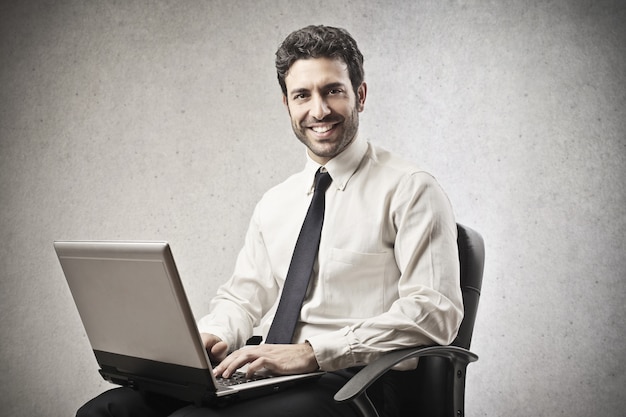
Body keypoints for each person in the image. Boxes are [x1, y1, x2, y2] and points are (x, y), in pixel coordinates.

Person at [76, 24, 463, 417]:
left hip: (358, 384)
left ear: (359, 95)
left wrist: (312, 353)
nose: (319, 110)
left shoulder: (411, 189)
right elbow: (242, 297)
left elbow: (435, 312)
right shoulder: (276, 202)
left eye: (333, 90)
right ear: (287, 105)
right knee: (108, 411)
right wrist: (214, 335)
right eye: (302, 95)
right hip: (270, 374)